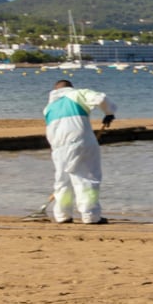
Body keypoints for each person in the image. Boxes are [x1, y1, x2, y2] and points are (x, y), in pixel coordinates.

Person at [44, 79, 115, 224]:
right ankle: (91, 215)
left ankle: (62, 215)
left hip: (58, 147)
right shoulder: (77, 94)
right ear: (70, 88)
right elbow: (100, 98)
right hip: (80, 141)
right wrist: (109, 112)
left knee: (63, 181)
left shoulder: (49, 107)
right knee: (87, 177)